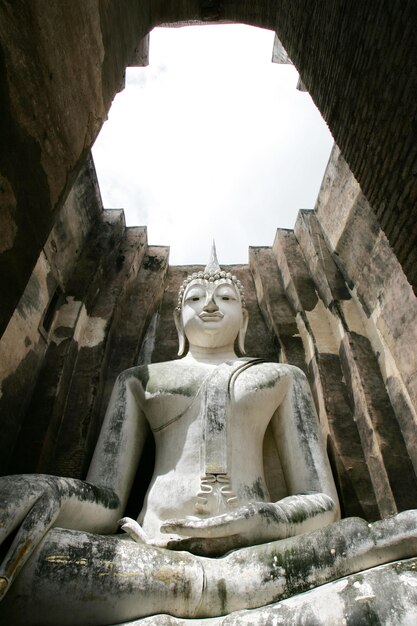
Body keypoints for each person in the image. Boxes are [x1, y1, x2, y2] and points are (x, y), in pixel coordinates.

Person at [0, 247, 416, 626]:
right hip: (150, 552)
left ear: (245, 319)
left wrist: (264, 520)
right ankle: (215, 586)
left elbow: (324, 506)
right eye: (195, 298)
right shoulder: (140, 380)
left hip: (264, 552)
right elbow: (108, 502)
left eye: (226, 298)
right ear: (179, 317)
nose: (211, 304)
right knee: (38, 559)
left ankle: (213, 587)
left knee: (396, 580)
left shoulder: (282, 378)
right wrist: (48, 492)